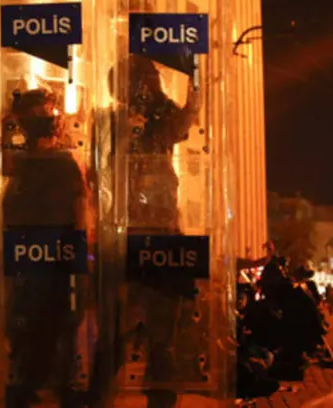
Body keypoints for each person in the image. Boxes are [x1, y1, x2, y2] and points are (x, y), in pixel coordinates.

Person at [0, 88, 88, 407]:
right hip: (25, 243)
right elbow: (3, 165)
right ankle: (27, 379)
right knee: (25, 315)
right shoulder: (20, 159)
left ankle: (57, 381)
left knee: (61, 314)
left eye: (48, 116)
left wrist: (80, 247)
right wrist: (8, 130)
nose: (45, 124)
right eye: (37, 117)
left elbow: (80, 200)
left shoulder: (66, 159)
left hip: (58, 244)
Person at [124, 54, 202, 408]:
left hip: (160, 220)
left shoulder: (162, 112)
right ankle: (99, 390)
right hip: (128, 224)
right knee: (119, 323)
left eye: (149, 77)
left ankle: (162, 391)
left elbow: (181, 125)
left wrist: (195, 91)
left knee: (162, 325)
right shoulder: (114, 117)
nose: (146, 84)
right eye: (140, 79)